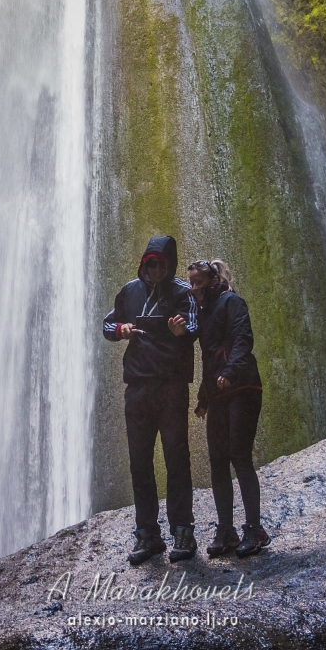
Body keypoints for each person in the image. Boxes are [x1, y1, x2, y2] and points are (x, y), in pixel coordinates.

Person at [103, 236, 199, 565]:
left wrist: (181, 332)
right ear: (144, 263)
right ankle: (147, 534)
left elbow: (195, 324)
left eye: (161, 263)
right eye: (150, 263)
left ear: (170, 264)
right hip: (139, 387)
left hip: (171, 386)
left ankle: (183, 531)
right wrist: (120, 330)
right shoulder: (130, 291)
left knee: (176, 457)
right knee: (140, 461)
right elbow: (107, 323)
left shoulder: (183, 292)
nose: (156, 269)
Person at [188, 259, 270, 558]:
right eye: (191, 284)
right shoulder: (203, 313)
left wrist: (232, 371)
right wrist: (203, 397)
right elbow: (209, 359)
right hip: (218, 391)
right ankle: (226, 530)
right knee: (218, 459)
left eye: (198, 282)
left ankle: (255, 529)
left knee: (239, 455)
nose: (194, 288)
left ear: (212, 280)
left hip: (243, 386)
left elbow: (242, 339)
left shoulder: (231, 301)